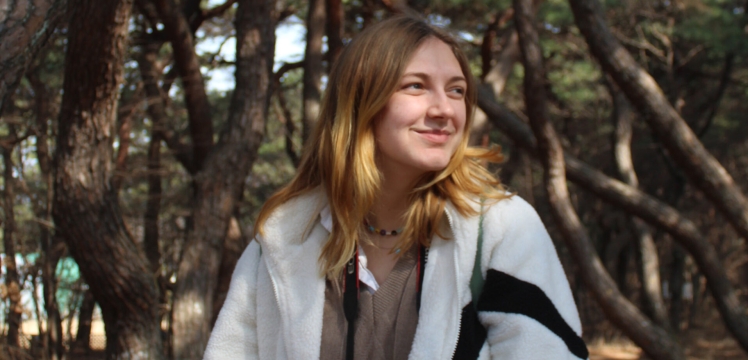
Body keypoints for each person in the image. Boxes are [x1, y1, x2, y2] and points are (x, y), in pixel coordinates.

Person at [205, 15, 587, 360]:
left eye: (456, 90)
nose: (444, 109)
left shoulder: (501, 229)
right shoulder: (284, 237)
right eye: (416, 86)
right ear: (360, 103)